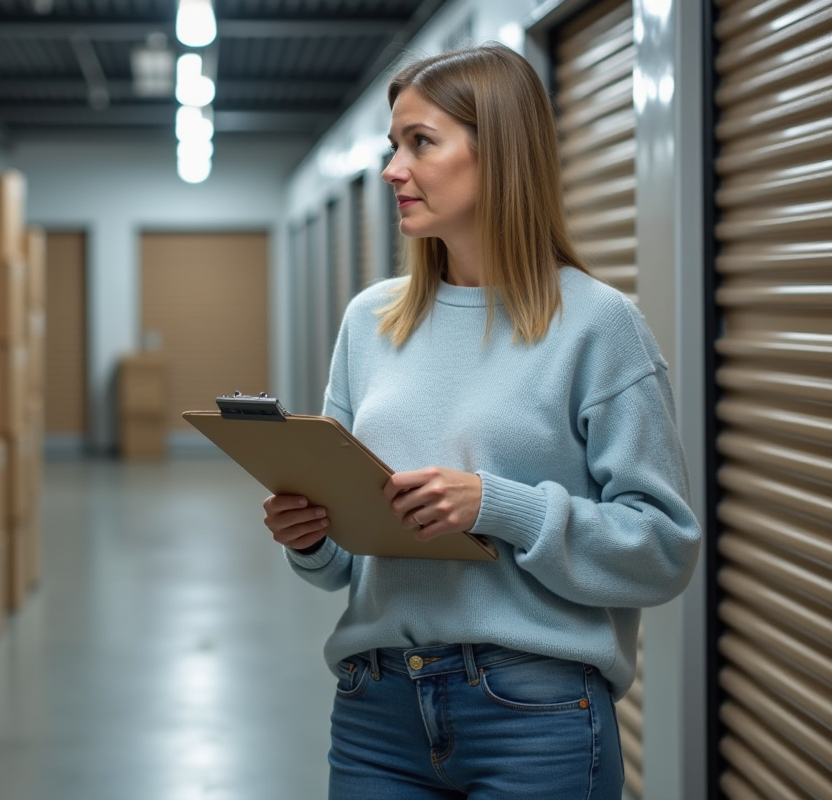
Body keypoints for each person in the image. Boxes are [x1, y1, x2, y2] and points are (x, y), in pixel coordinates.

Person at [263, 44, 701, 799]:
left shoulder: (598, 325)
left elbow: (663, 549)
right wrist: (309, 536)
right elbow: (339, 566)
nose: (393, 169)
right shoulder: (370, 322)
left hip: (537, 715)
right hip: (377, 712)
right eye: (392, 146)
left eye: (420, 143)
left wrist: (497, 505)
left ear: (498, 152)